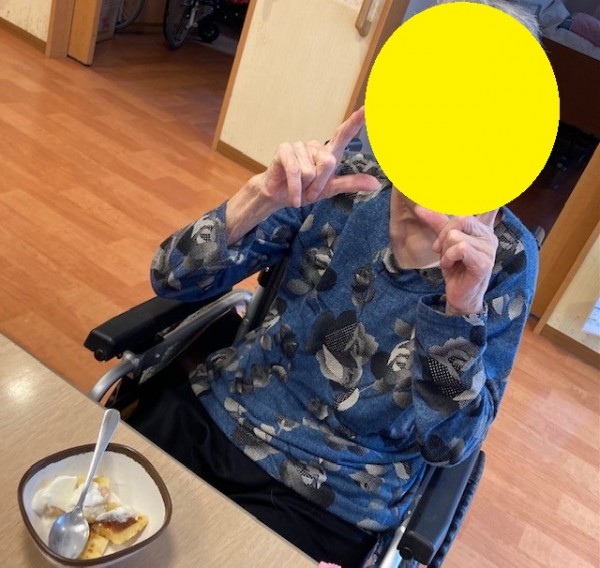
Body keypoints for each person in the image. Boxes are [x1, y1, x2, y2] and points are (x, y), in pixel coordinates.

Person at [136, 3, 540, 567]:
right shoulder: (348, 173)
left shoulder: (505, 257)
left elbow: (448, 444)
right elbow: (171, 277)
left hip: (341, 497)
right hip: (226, 410)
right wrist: (259, 199)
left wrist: (460, 309)